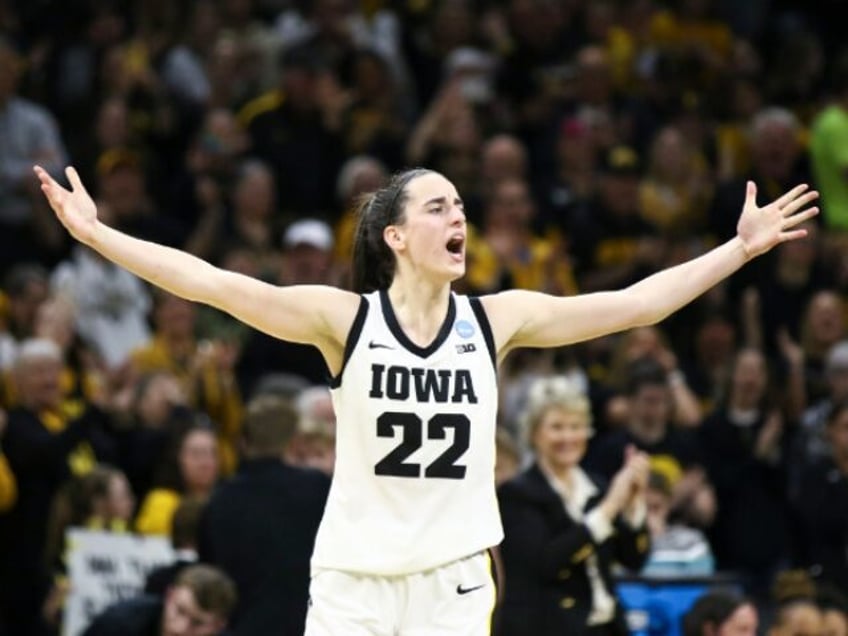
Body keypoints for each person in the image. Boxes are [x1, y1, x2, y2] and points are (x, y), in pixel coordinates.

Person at [33, 163, 818, 635]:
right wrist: (100, 235)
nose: (459, 217)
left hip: (452, 579)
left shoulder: (497, 319)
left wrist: (738, 249)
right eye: (438, 206)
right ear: (396, 237)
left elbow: (637, 305)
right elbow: (213, 284)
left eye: (461, 207)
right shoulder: (345, 320)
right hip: (354, 578)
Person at [497, 376, 651, 635]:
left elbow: (634, 560)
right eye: (557, 427)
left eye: (576, 426)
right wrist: (610, 507)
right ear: (534, 434)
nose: (568, 437)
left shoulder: (597, 486)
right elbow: (545, 564)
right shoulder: (516, 493)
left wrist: (633, 504)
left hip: (608, 627)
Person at [198, 395, 330, 635]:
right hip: (308, 626)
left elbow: (210, 577)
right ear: (295, 442)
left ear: (243, 442)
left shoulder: (220, 501)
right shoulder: (318, 488)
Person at [82, 563, 237, 636]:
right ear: (169, 596)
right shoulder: (120, 625)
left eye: (197, 623)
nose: (180, 629)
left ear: (218, 626)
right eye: (180, 611)